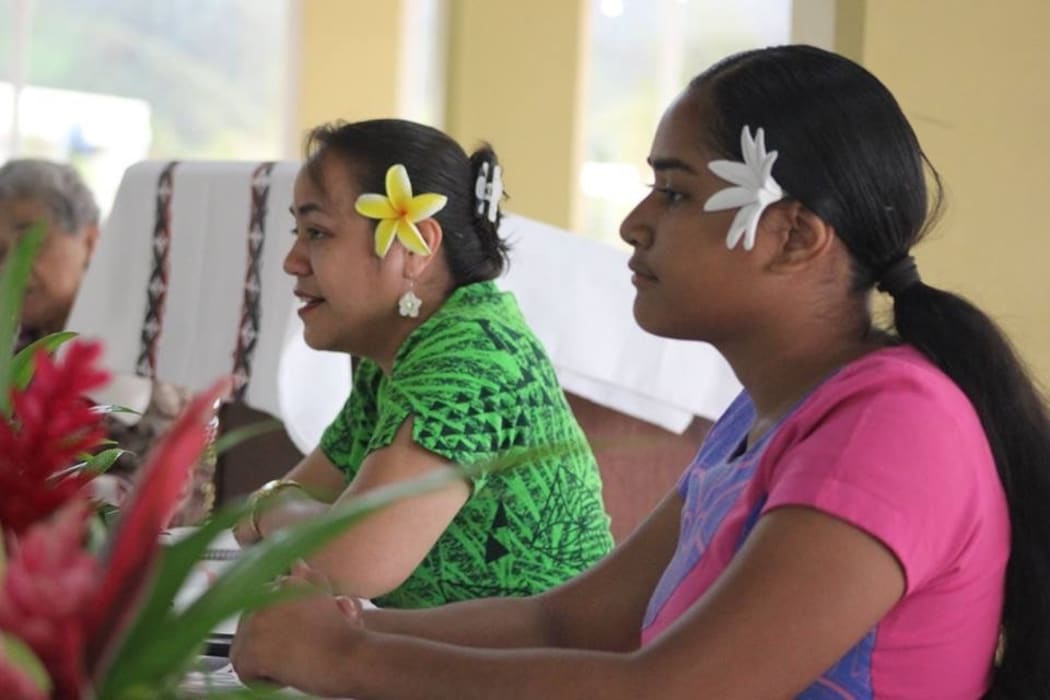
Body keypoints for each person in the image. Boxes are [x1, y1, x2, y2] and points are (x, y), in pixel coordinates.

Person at [231, 45, 1050, 698]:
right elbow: (571, 622)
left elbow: (668, 689)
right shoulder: (763, 415)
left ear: (796, 235)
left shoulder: (891, 428)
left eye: (676, 193)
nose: (633, 224)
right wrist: (353, 634)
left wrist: (349, 662)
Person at [230, 119, 614, 608]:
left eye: (318, 233)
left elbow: (346, 560)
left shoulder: (469, 361)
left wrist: (275, 509)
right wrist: (282, 509)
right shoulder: (399, 352)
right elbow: (281, 513)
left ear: (416, 247)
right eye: (298, 231)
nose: (293, 260)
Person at [0, 158, 217, 525]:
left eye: (30, 244)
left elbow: (152, 489)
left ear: (89, 239)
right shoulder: (17, 344)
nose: (11, 268)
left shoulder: (143, 339)